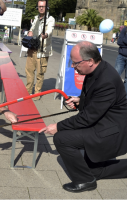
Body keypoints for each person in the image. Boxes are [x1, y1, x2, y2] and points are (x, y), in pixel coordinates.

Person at [39, 41, 127, 193]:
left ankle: (85, 181)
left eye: (75, 63)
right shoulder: (96, 69)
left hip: (110, 131)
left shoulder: (106, 80)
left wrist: (58, 126)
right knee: (93, 170)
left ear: (90, 61)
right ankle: (89, 175)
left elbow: (87, 118)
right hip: (104, 123)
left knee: (62, 138)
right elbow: (97, 101)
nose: (73, 66)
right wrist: (80, 101)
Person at [25, 0, 55, 100]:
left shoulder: (50, 19)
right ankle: (28, 91)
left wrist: (46, 34)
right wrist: (30, 31)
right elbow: (32, 28)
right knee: (29, 71)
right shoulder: (36, 18)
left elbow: (50, 29)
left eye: (43, 6)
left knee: (40, 73)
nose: (41, 8)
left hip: (42, 50)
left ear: (47, 7)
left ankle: (37, 93)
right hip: (32, 49)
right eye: (39, 6)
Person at [115, 26, 127, 96]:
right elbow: (119, 42)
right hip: (121, 56)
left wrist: (124, 41)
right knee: (115, 75)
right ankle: (112, 93)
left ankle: (124, 97)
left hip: (122, 53)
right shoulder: (125, 29)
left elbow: (123, 41)